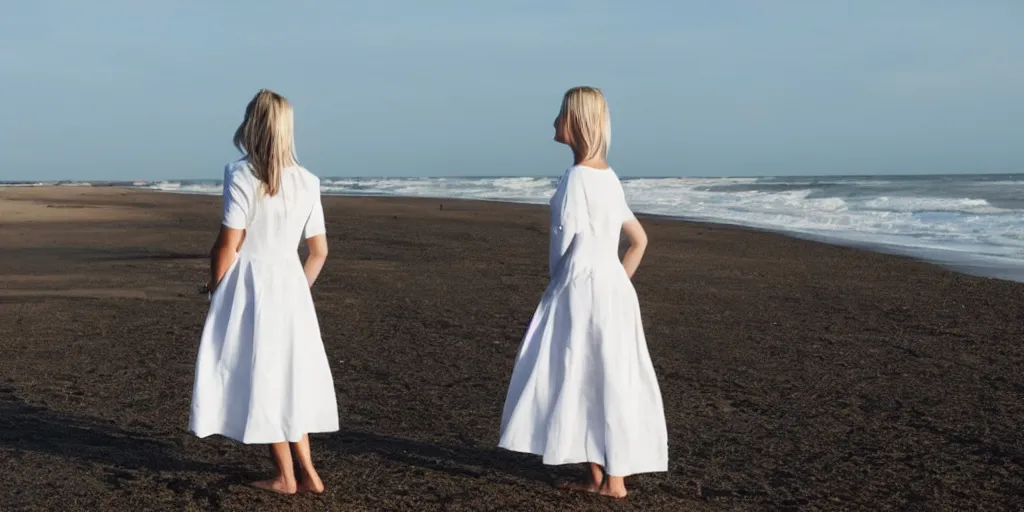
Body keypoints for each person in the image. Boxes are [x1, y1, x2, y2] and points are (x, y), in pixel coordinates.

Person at [498, 86, 668, 499]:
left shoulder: (574, 179)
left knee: (578, 372)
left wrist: (560, 289)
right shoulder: (609, 178)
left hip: (579, 287)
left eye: (560, 114)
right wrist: (617, 284)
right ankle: (602, 476)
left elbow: (562, 249)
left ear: (575, 122)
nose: (554, 122)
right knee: (604, 374)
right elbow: (639, 241)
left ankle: (613, 481)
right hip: (612, 288)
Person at [189, 89, 338, 495]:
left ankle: (287, 477)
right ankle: (306, 471)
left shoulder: (241, 174)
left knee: (263, 378)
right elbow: (319, 251)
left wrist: (217, 292)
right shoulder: (308, 181)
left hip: (251, 289)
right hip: (291, 290)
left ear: (251, 124)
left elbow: (227, 244)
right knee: (287, 378)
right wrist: (297, 290)